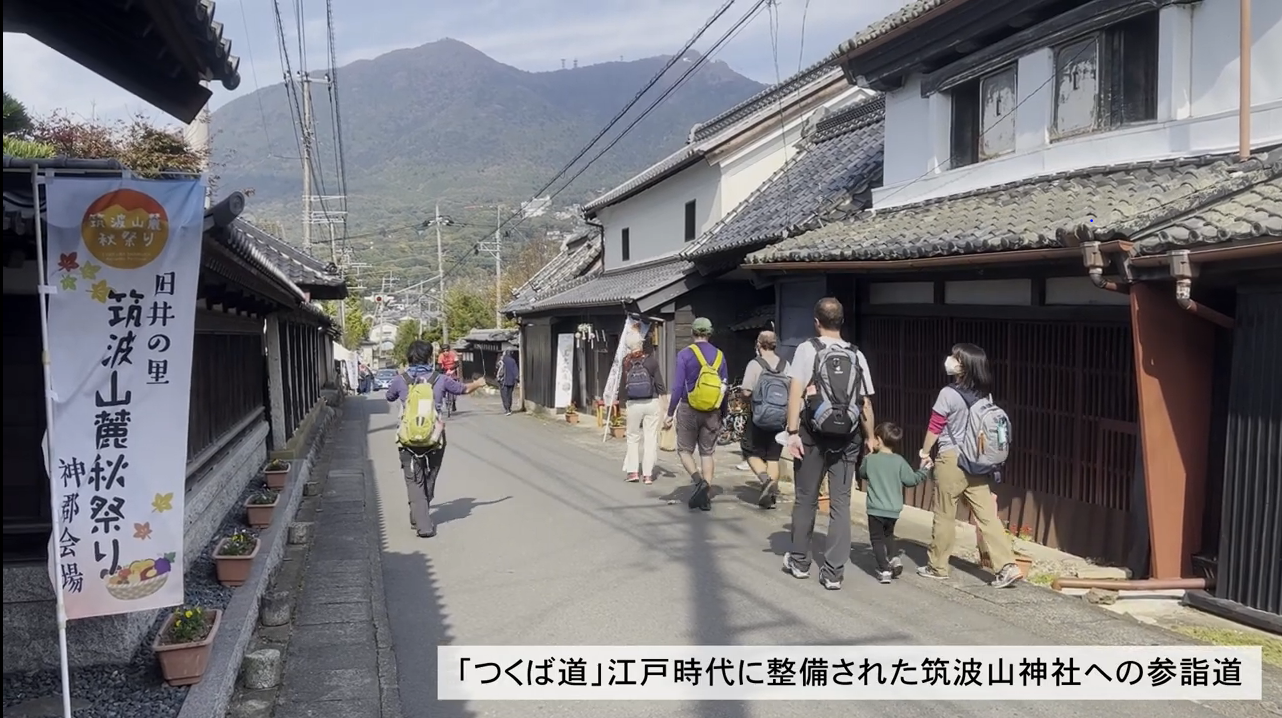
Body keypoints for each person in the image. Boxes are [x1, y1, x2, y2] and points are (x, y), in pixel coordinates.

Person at [782, 298, 875, 590]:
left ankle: (799, 561)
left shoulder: (808, 349)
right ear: (842, 321)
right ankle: (833, 573)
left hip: (812, 435)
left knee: (806, 498)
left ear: (816, 321)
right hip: (848, 438)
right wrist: (870, 437)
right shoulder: (856, 355)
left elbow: (795, 391)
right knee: (841, 504)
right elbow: (865, 403)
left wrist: (792, 432)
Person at [916, 343, 1023, 588]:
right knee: (988, 516)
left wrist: (924, 451)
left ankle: (938, 566)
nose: (950, 360)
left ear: (964, 366)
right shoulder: (985, 396)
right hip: (977, 461)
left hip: (951, 460)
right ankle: (1007, 565)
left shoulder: (948, 393)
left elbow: (935, 426)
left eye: (955, 357)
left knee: (945, 514)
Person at [386, 340, 486, 538]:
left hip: (407, 439)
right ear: (429, 356)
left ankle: (420, 520)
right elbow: (462, 390)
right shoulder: (439, 379)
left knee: (413, 480)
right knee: (430, 474)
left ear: (409, 357)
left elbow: (389, 397)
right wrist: (478, 383)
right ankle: (422, 515)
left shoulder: (401, 379)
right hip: (435, 436)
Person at [663, 317, 727, 511]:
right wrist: (723, 413)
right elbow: (724, 386)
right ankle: (705, 497)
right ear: (709, 333)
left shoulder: (685, 354)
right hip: (712, 411)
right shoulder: (719, 356)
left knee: (684, 450)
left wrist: (670, 412)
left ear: (692, 333)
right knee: (707, 452)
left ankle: (699, 482)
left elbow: (677, 386)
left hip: (688, 408)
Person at [859, 422, 930, 584]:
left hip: (875, 509)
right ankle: (892, 559)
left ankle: (884, 569)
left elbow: (862, 473)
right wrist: (924, 471)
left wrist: (866, 456)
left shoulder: (871, 460)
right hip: (893, 510)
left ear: (878, 440)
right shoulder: (899, 461)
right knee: (889, 535)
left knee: (876, 540)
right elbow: (911, 480)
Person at [739, 330, 790, 509]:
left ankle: (765, 480)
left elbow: (746, 391)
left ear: (758, 344)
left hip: (759, 417)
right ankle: (771, 495)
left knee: (749, 451)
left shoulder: (755, 364)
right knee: (773, 457)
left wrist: (748, 399)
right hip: (780, 419)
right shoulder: (785, 365)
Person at [617, 333, 666, 484]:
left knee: (632, 437)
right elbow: (659, 384)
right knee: (650, 438)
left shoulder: (626, 362)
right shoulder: (651, 361)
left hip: (633, 403)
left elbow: (623, 386)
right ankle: (647, 475)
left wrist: (622, 404)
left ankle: (632, 472)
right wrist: (665, 406)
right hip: (651, 402)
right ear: (641, 344)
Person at [498, 349, 519, 415]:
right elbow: (515, 371)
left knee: (504, 395)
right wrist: (517, 379)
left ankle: (507, 409)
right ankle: (509, 408)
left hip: (503, 381)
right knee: (509, 395)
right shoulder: (513, 361)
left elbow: (497, 367)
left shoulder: (502, 360)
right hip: (511, 381)